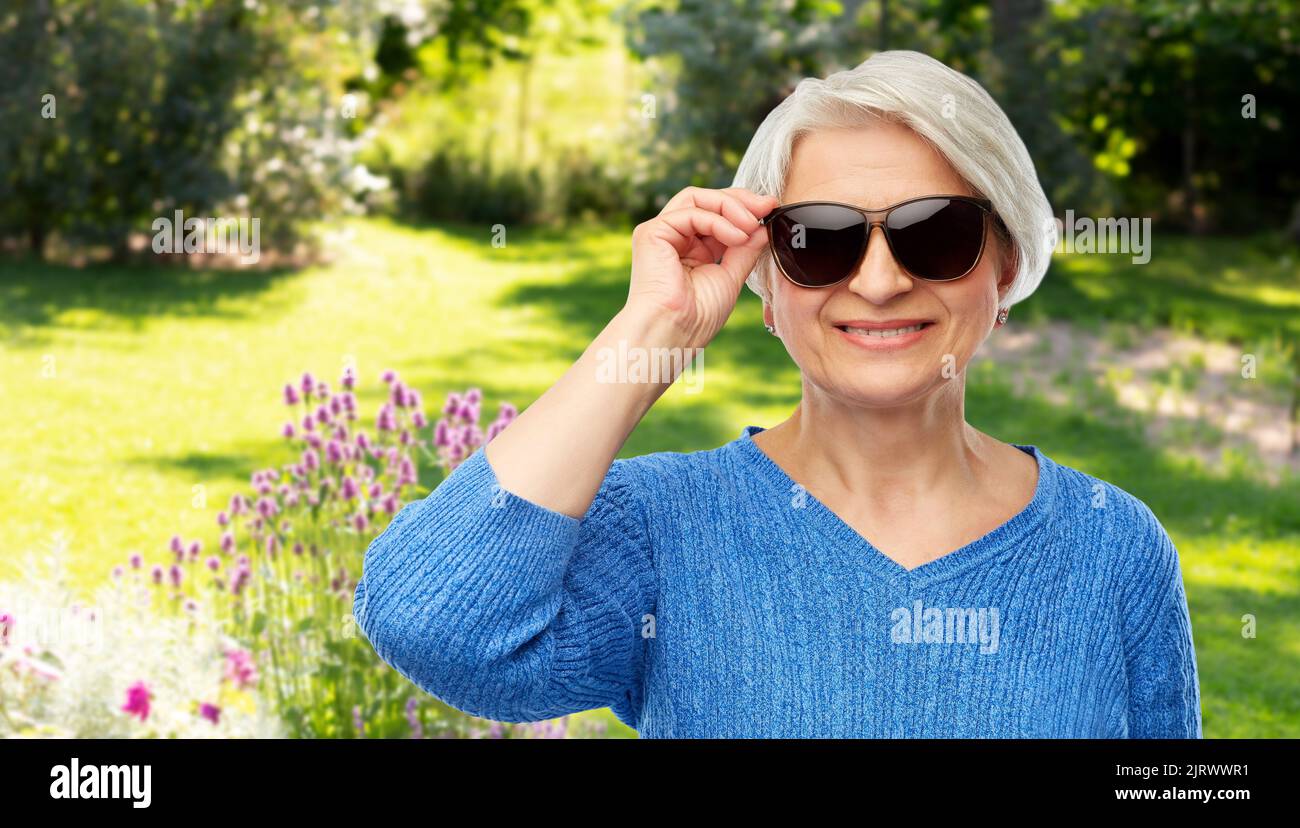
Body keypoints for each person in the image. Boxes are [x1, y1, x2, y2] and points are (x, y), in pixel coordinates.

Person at [352, 50, 1201, 738]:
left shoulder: (1114, 547)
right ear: (764, 278)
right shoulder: (660, 529)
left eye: (934, 233)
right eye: (818, 240)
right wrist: (652, 336)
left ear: (1006, 265)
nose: (876, 283)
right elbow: (431, 621)